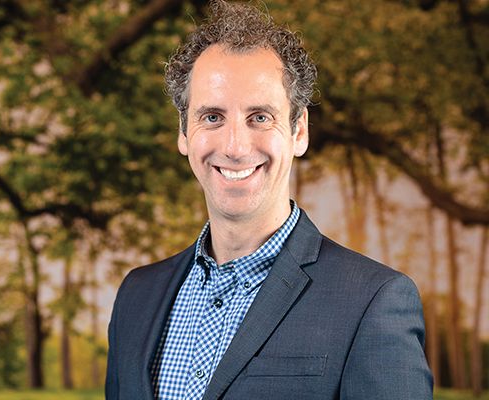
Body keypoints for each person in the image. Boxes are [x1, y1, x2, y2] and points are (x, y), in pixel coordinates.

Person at [105, 1, 433, 399]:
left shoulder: (374, 303)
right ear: (183, 132)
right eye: (212, 117)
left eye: (260, 117)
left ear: (299, 131)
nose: (235, 146)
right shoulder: (137, 297)